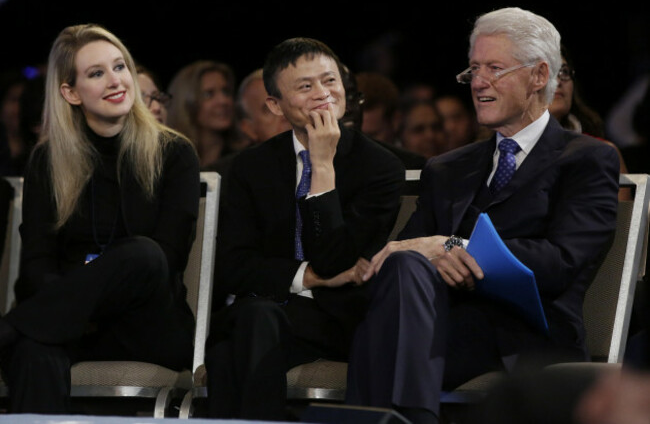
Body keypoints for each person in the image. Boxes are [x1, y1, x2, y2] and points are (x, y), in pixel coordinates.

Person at [345, 7, 620, 424]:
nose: (477, 83)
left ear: (539, 75)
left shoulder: (586, 159)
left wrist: (455, 246)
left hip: (525, 332)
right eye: (473, 69)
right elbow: (404, 258)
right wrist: (426, 251)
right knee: (402, 266)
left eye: (494, 68)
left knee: (387, 328)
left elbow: (561, 261)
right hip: (440, 322)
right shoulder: (448, 167)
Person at [0, 23, 200, 413]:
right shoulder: (47, 160)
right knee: (35, 352)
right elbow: (37, 263)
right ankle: (24, 332)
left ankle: (11, 329)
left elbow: (169, 257)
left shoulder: (174, 153)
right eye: (96, 73)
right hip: (66, 327)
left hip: (147, 325)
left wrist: (74, 298)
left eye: (120, 66)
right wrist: (72, 306)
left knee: (144, 253)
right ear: (70, 93)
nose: (116, 81)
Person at [203, 37, 405, 421]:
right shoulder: (251, 168)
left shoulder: (380, 169)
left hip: (335, 319)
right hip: (263, 311)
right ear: (275, 105)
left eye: (330, 81)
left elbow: (336, 260)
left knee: (232, 350)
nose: (322, 94)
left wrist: (323, 166)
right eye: (305, 86)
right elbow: (232, 263)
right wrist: (305, 277)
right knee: (253, 322)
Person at [549, 45, 630, 201]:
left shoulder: (603, 155)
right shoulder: (497, 153)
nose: (558, 80)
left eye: (564, 72)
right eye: (546, 73)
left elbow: (623, 225)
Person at [166, 60, 240, 168]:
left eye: (226, 91)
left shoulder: (242, 158)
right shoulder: (171, 159)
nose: (223, 101)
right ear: (187, 103)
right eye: (209, 94)